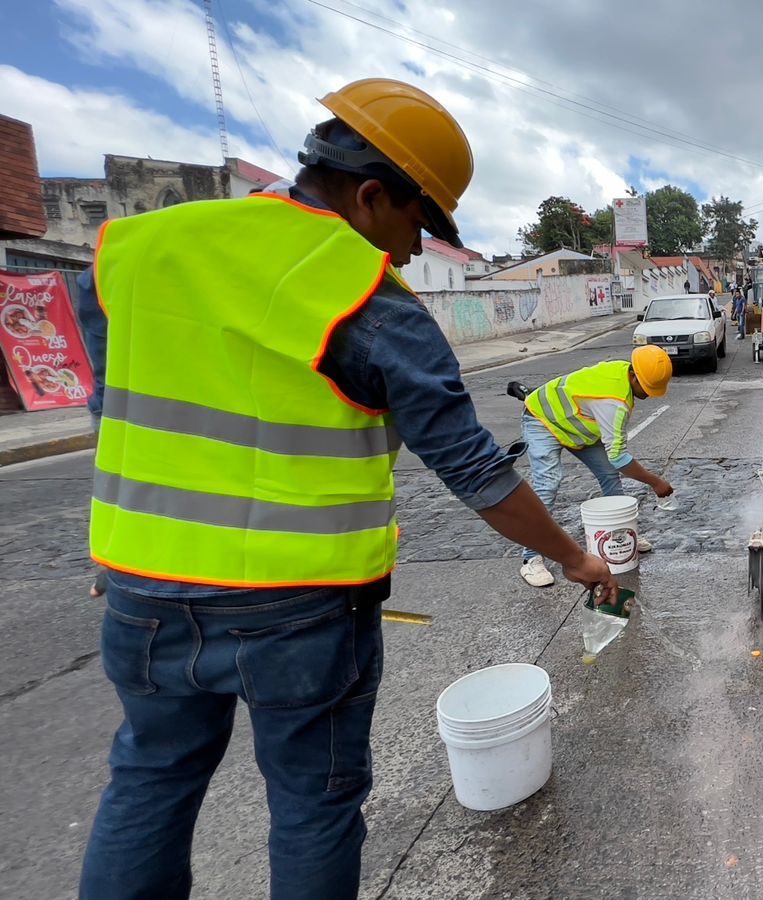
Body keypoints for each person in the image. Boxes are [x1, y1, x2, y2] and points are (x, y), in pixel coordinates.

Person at [75, 79, 617, 900]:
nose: (412, 252)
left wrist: (128, 546)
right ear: (370, 195)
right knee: (313, 807)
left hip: (142, 594)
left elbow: (116, 412)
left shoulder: (137, 251)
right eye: (418, 225)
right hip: (300, 607)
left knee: (148, 781)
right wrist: (572, 557)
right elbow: (472, 468)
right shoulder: (368, 299)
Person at [518, 346, 675, 587]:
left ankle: (622, 536)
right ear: (633, 374)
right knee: (547, 484)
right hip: (543, 420)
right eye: (645, 387)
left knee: (609, 476)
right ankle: (530, 558)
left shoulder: (623, 372)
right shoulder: (614, 401)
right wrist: (656, 482)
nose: (648, 394)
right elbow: (619, 458)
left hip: (577, 427)